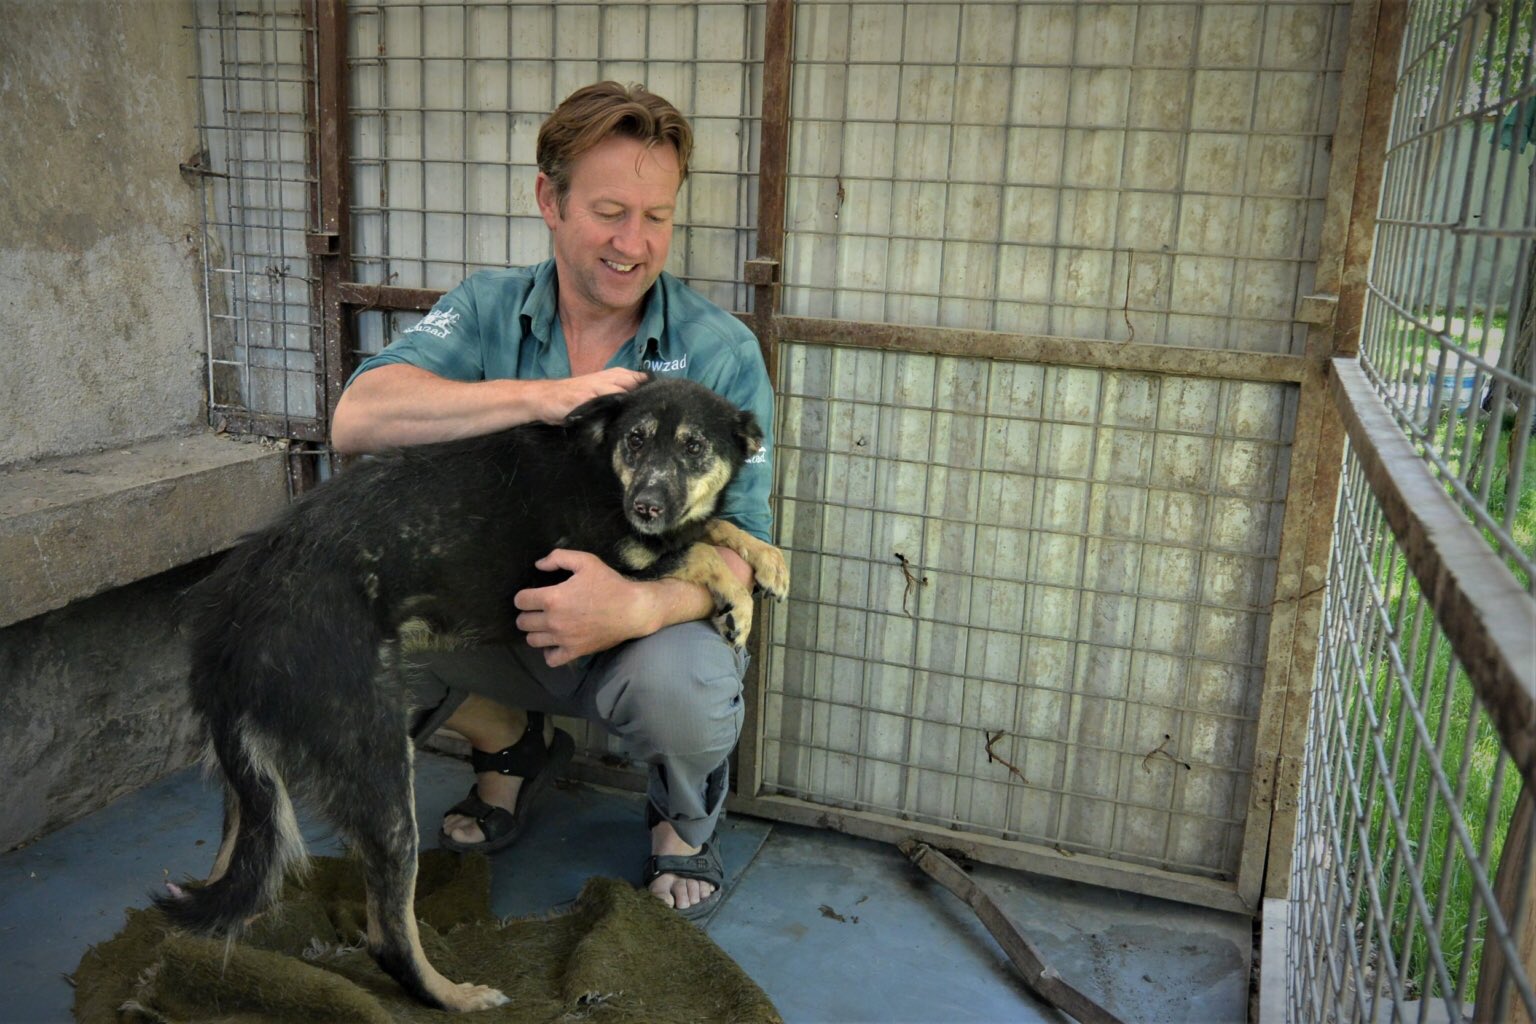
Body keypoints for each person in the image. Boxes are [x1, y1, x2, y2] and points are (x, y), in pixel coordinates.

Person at [330, 81, 774, 919]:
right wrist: (542, 397)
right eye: (610, 211)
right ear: (550, 199)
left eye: (657, 217)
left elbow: (743, 550)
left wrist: (634, 608)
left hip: (636, 635)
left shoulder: (719, 352)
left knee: (684, 683)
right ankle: (509, 744)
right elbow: (358, 418)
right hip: (500, 613)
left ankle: (680, 821)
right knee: (355, 602)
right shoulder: (487, 308)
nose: (633, 243)